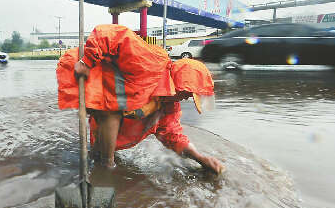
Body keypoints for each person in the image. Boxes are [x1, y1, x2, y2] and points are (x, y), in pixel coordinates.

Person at [57, 24, 224, 174]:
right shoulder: (150, 61)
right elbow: (110, 33)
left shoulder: (168, 107)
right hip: (88, 77)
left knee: (97, 153)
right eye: (188, 93)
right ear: (180, 82)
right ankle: (106, 167)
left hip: (105, 120)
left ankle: (100, 159)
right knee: (111, 118)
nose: (186, 98)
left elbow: (173, 136)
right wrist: (86, 62)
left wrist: (200, 158)